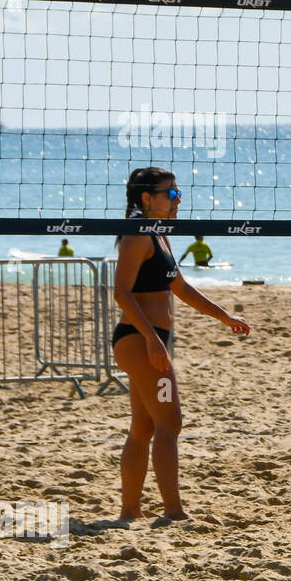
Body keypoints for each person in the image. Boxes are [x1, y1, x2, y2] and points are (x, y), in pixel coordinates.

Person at [112, 167, 250, 521]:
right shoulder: (137, 235)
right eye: (170, 194)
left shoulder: (160, 235)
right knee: (170, 424)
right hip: (140, 341)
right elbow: (121, 292)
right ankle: (173, 512)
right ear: (147, 199)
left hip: (150, 340)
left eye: (178, 193)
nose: (178, 200)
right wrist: (152, 339)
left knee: (143, 428)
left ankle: (130, 512)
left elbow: (182, 288)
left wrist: (223, 316)